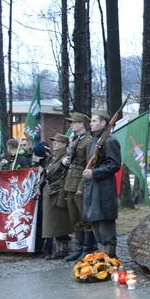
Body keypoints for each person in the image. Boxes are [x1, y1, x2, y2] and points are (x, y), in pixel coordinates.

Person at [82, 111, 121, 258]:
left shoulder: (110, 141)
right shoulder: (94, 141)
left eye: (94, 121)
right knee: (96, 224)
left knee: (105, 224)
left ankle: (110, 259)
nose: (90, 123)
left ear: (104, 123)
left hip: (103, 188)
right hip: (92, 187)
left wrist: (94, 173)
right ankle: (103, 258)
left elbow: (115, 164)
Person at [62, 112, 97, 261]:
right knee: (75, 218)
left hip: (80, 182)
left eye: (74, 122)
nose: (71, 124)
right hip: (70, 181)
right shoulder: (75, 140)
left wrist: (82, 186)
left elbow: (90, 164)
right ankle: (79, 248)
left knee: (85, 218)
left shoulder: (88, 141)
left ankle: (88, 249)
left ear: (82, 124)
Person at [41, 134, 72, 260]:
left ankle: (62, 249)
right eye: (54, 142)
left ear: (64, 144)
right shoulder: (53, 157)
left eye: (58, 142)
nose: (55, 144)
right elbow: (46, 171)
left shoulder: (65, 157)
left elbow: (52, 171)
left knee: (59, 221)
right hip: (50, 190)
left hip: (59, 191)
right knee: (51, 221)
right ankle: (56, 247)